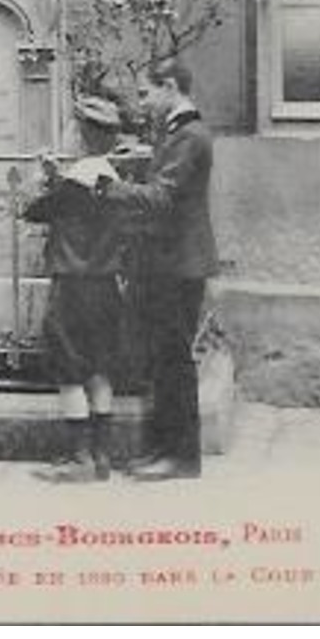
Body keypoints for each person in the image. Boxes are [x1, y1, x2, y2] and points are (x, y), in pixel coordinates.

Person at [99, 56, 219, 481]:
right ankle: (165, 450)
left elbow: (163, 196)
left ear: (170, 87)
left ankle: (182, 458)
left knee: (174, 361)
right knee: (164, 360)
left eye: (148, 94)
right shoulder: (178, 133)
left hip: (180, 264)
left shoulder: (190, 136)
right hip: (169, 262)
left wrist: (106, 187)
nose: (144, 103)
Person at [21, 94, 129, 482]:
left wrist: (41, 176)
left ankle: (79, 458)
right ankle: (102, 456)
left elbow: (34, 209)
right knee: (100, 368)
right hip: (105, 288)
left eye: (70, 129)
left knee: (69, 371)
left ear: (80, 139)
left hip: (71, 289)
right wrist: (58, 177)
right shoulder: (112, 182)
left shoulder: (69, 187)